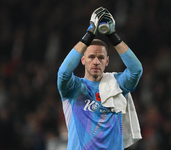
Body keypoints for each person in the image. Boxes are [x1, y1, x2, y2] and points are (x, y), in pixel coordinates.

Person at [57, 7, 143, 150]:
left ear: (107, 61)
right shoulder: (73, 88)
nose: (96, 61)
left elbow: (136, 70)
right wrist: (89, 34)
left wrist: (113, 36)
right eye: (91, 57)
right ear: (82, 60)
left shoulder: (117, 85)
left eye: (100, 57)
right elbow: (63, 73)